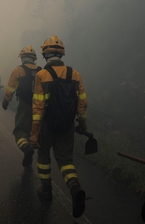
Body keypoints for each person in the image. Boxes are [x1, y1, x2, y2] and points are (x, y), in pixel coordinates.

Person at [29, 35, 87, 218]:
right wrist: (82, 124)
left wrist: (34, 133)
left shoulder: (41, 75)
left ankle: (46, 192)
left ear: (45, 55)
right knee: (66, 161)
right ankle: (75, 187)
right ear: (61, 53)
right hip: (67, 126)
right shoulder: (75, 74)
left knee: (44, 158)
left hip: (46, 126)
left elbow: (38, 108)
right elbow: (82, 103)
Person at [2, 46, 41, 167]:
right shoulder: (42, 70)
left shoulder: (18, 70)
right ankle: (34, 155)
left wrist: (6, 100)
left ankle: (26, 148)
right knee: (36, 131)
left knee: (20, 131)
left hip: (25, 105)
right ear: (34, 58)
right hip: (40, 106)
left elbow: (10, 87)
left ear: (23, 58)